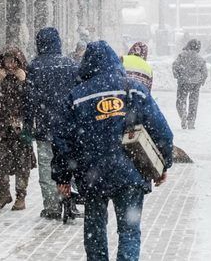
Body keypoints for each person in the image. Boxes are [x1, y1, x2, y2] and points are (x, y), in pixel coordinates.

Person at [51, 40, 174, 261]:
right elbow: (161, 130)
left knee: (95, 230)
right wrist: (163, 163)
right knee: (129, 231)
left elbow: (62, 139)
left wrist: (63, 176)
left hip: (92, 174)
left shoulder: (78, 96)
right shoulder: (134, 89)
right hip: (131, 172)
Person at [24, 27, 79, 220]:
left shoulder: (35, 67)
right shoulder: (71, 65)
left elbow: (29, 99)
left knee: (47, 168)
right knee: (70, 164)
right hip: (68, 127)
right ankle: (70, 200)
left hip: (46, 127)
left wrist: (28, 123)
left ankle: (52, 206)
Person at [0, 46, 36, 211]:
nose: (10, 64)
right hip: (1, 128)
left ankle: (21, 197)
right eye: (7, 60)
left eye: (13, 60)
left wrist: (25, 82)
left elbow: (33, 100)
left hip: (20, 128)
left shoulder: (26, 76)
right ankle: (4, 194)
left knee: (22, 163)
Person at [172, 39, 208, 129]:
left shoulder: (182, 56)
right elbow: (205, 72)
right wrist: (201, 81)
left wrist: (177, 76)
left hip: (183, 82)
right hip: (195, 83)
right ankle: (191, 122)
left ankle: (183, 114)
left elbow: (175, 66)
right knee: (193, 103)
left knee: (181, 100)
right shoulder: (200, 59)